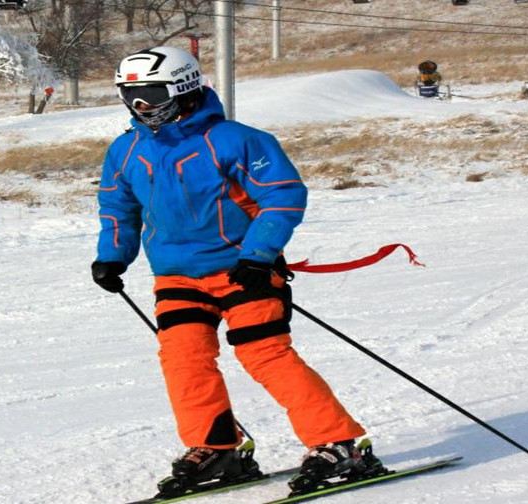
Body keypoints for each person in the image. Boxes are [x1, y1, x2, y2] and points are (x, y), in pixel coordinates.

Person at [91, 46, 367, 492]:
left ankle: (337, 443)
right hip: (177, 277)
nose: (141, 105)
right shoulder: (126, 151)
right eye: (131, 94)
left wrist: (258, 256)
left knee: (265, 354)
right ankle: (217, 448)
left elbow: (282, 196)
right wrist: (111, 256)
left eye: (151, 93)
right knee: (184, 360)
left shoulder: (236, 140)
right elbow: (117, 208)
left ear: (183, 87)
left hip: (243, 271)